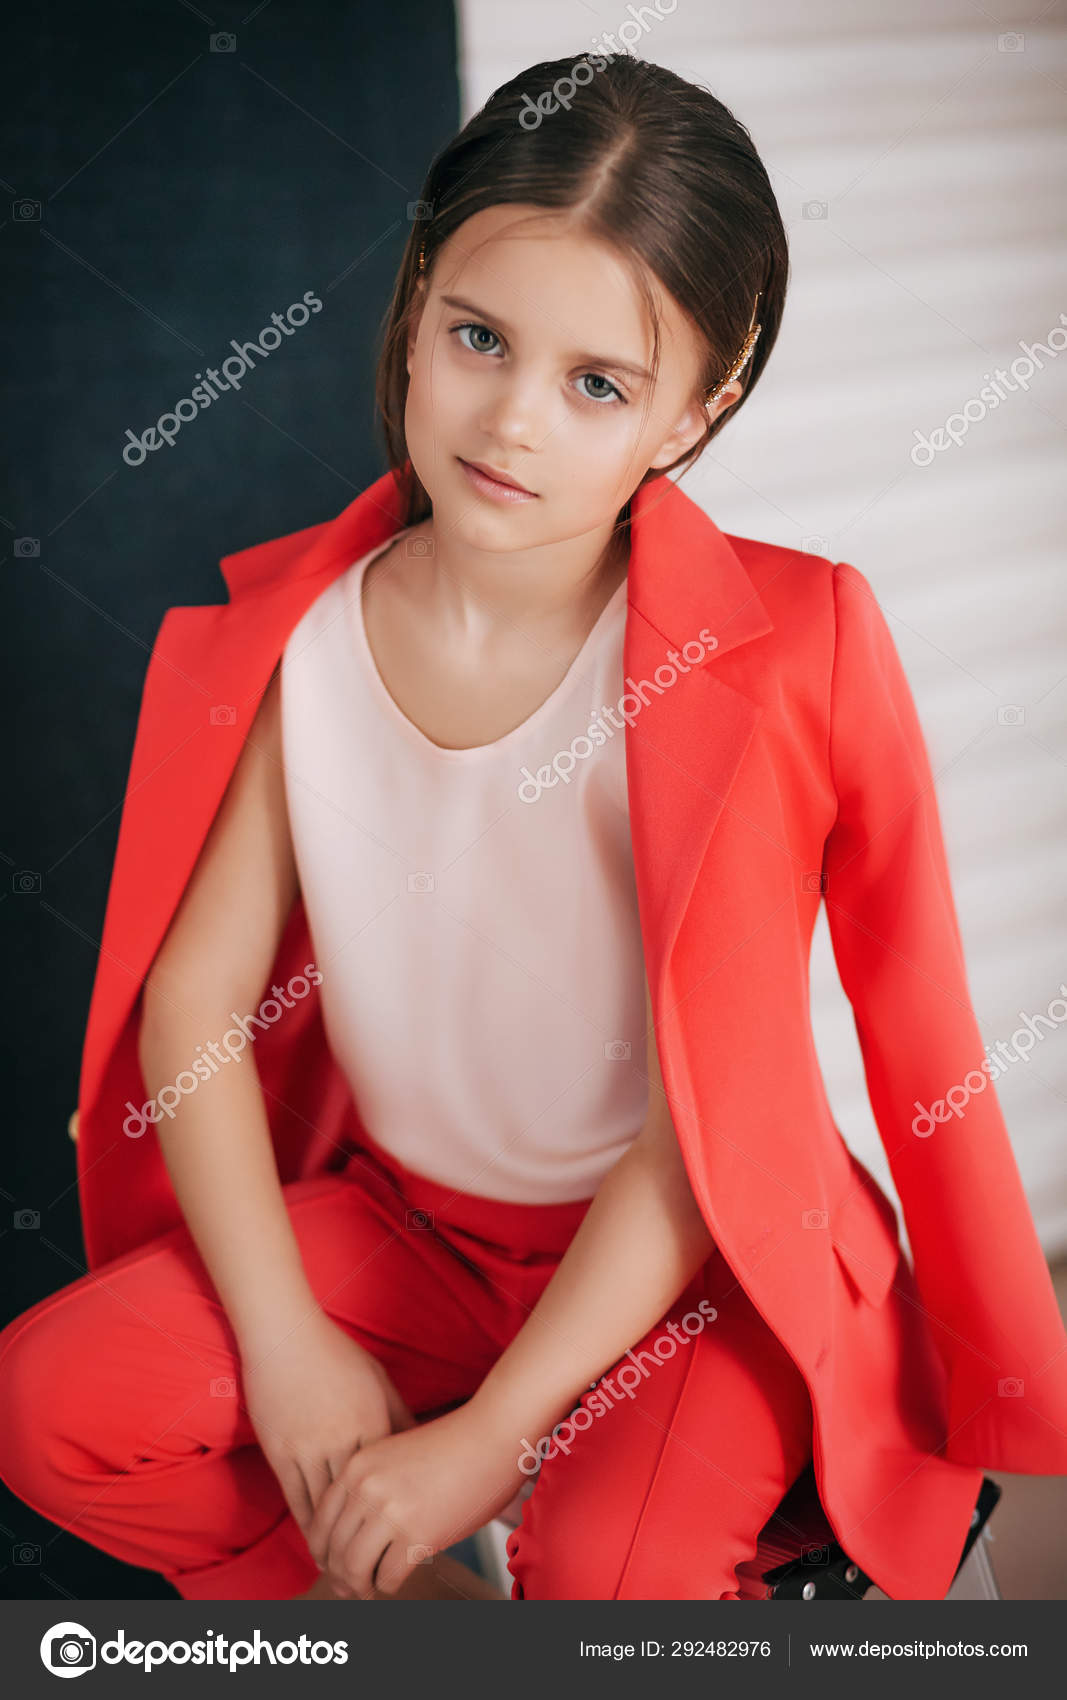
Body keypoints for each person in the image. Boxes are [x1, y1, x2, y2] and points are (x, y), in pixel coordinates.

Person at [2, 54, 1065, 1605]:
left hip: (688, 1263)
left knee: (603, 1580)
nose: (510, 421)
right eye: (479, 338)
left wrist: (499, 1432)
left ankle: (742, 1556)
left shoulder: (772, 654)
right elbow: (197, 1013)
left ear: (700, 404)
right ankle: (426, 1616)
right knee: (54, 1409)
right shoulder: (300, 640)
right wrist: (291, 1344)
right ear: (418, 299)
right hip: (409, 1231)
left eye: (598, 384)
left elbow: (718, 1116)